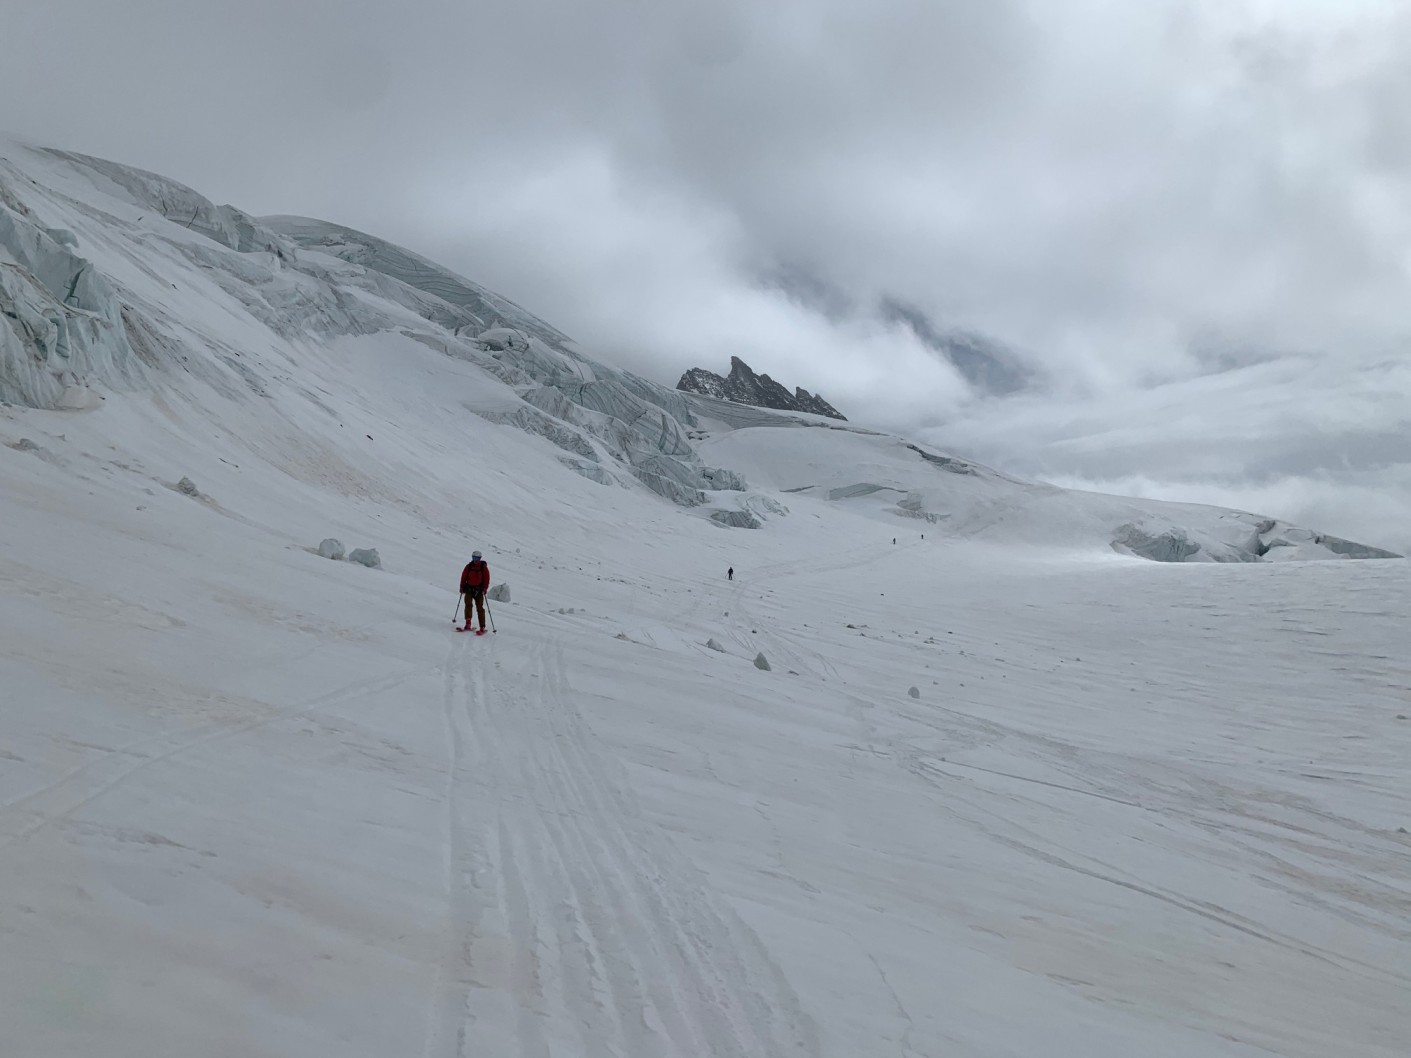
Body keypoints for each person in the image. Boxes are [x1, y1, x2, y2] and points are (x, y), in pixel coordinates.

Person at [459, 551, 491, 632]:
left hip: (479, 590)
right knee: (468, 605)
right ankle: (468, 623)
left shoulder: (483, 567)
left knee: (480, 608)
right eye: (474, 558)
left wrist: (485, 588)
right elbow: (464, 576)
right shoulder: (469, 566)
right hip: (469, 589)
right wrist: (462, 587)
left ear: (480, 558)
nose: (475, 560)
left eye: (477, 558)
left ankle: (482, 627)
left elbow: (487, 579)